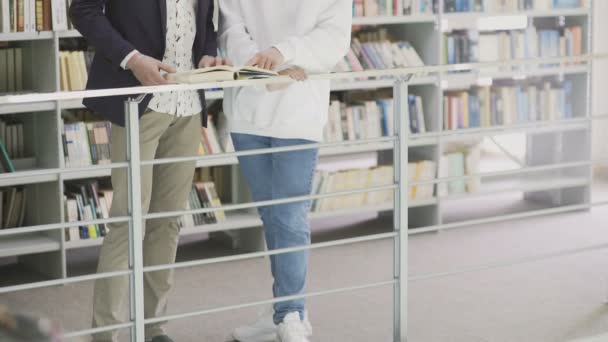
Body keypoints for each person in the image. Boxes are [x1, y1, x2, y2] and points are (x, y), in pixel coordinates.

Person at [69, 1, 228, 341]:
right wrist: (133, 59)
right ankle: (106, 334)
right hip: (137, 101)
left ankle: (154, 328)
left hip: (187, 105)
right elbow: (83, 10)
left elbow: (205, 24)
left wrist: (208, 54)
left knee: (167, 222)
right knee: (127, 222)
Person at [219, 1, 352, 341]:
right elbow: (230, 28)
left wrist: (282, 51)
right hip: (248, 107)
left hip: (298, 111)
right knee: (271, 216)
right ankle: (285, 310)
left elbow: (335, 36)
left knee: (290, 217)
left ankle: (290, 314)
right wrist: (261, 64)